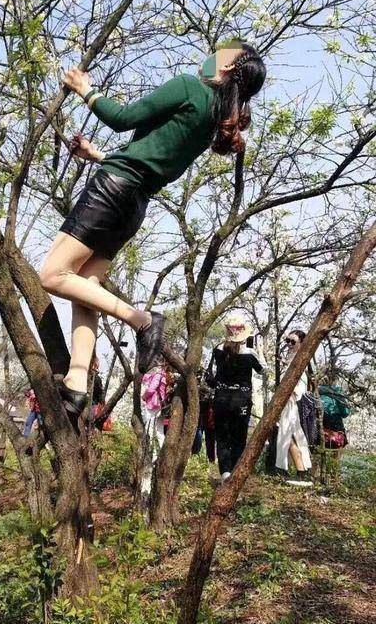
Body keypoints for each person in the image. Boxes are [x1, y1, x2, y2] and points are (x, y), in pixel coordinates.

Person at [39, 42, 267, 422]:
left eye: (218, 51)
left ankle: (141, 319)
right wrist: (97, 156)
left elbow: (123, 117)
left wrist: (85, 88)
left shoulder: (190, 87)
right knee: (87, 291)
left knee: (53, 273)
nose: (210, 53)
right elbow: (150, 160)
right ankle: (78, 385)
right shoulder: (214, 117)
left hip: (112, 191)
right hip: (134, 202)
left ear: (227, 65)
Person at [207, 313, 265, 484]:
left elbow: (209, 374)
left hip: (221, 400)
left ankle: (225, 473)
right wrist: (260, 352)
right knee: (239, 438)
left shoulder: (218, 350)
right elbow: (262, 371)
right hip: (242, 401)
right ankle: (236, 473)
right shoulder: (250, 353)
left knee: (222, 438)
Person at [275, 330, 313, 486]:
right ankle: (299, 470)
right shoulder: (292, 358)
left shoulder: (302, 360)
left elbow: (301, 386)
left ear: (301, 343)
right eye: (287, 341)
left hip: (293, 403)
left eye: (293, 341)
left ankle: (302, 470)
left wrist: (288, 395)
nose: (289, 344)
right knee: (287, 435)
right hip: (287, 403)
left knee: (291, 436)